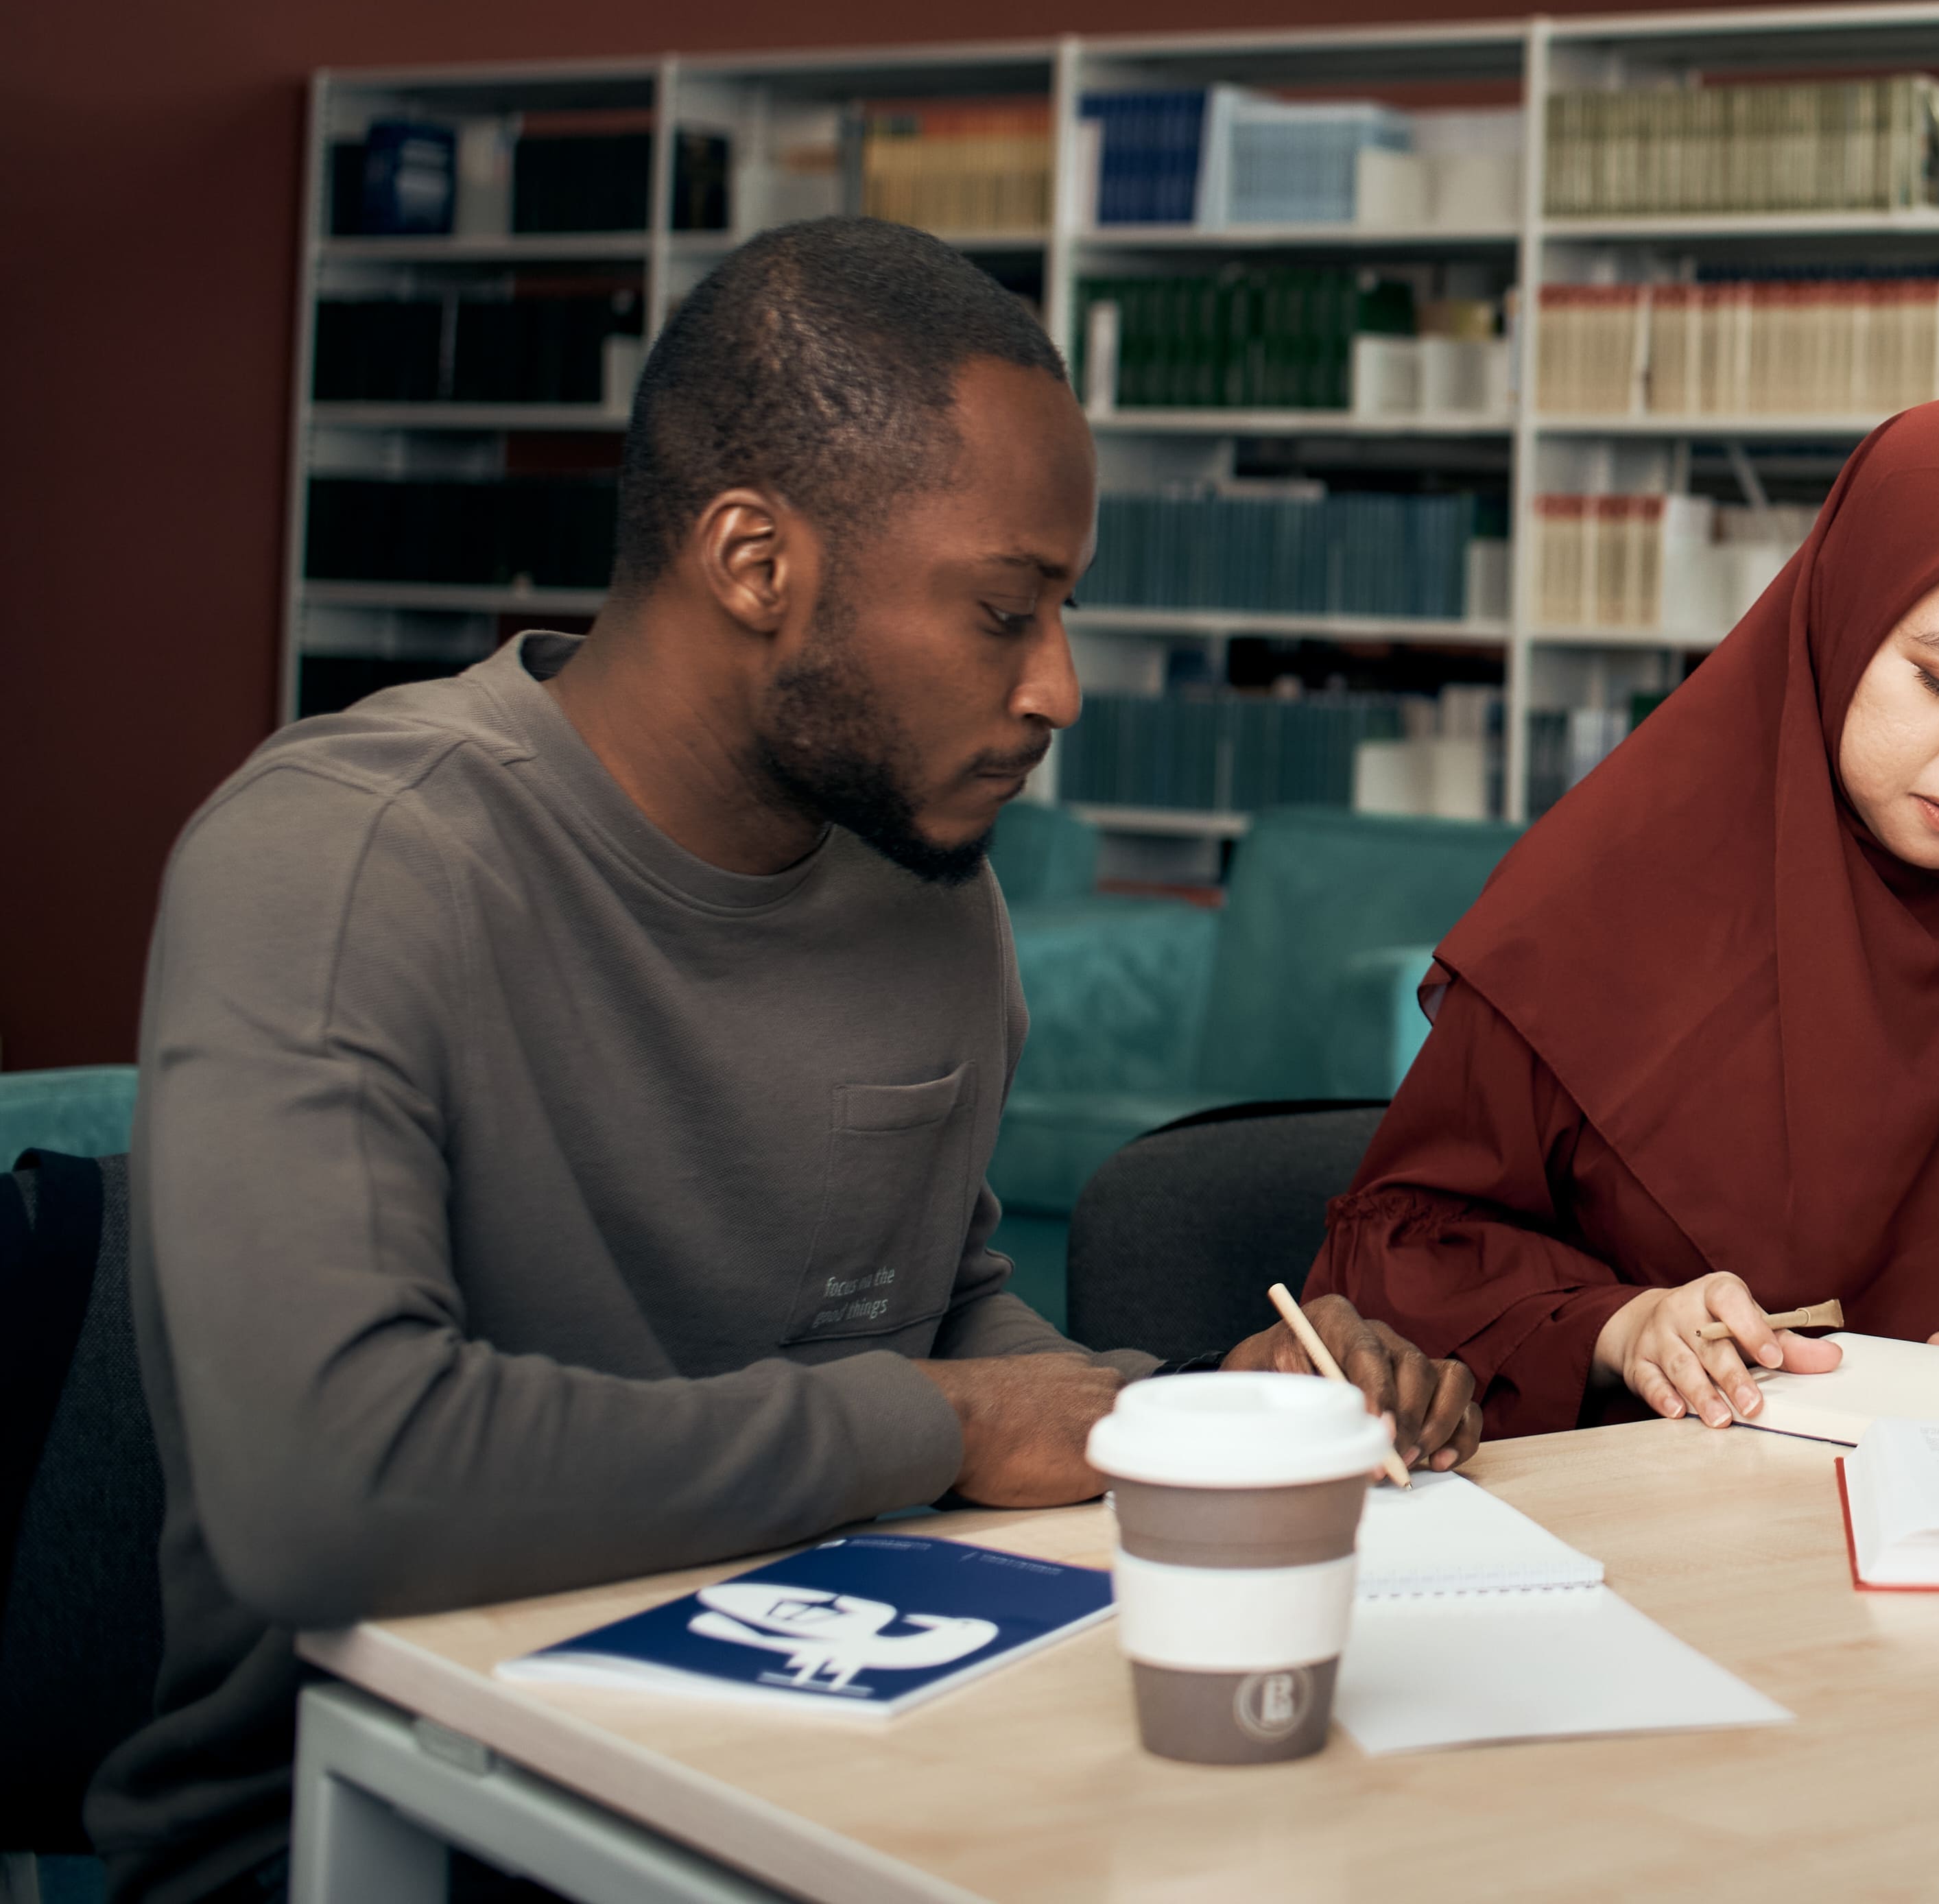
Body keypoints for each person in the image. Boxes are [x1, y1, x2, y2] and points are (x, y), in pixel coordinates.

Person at [95, 221, 1475, 1904]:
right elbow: (336, 1483)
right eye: (1001, 610)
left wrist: (1175, 1428)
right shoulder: (347, 859)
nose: (1057, 687)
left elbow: (929, 1305)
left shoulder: (921, 881)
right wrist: (942, 1423)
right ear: (755, 561)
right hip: (394, 1812)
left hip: (855, 1760)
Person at [1302, 390, 1939, 1436]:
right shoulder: (1586, 915)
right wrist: (1626, 1328)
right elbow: (1406, 1267)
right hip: (1678, 1530)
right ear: (1840, 622)